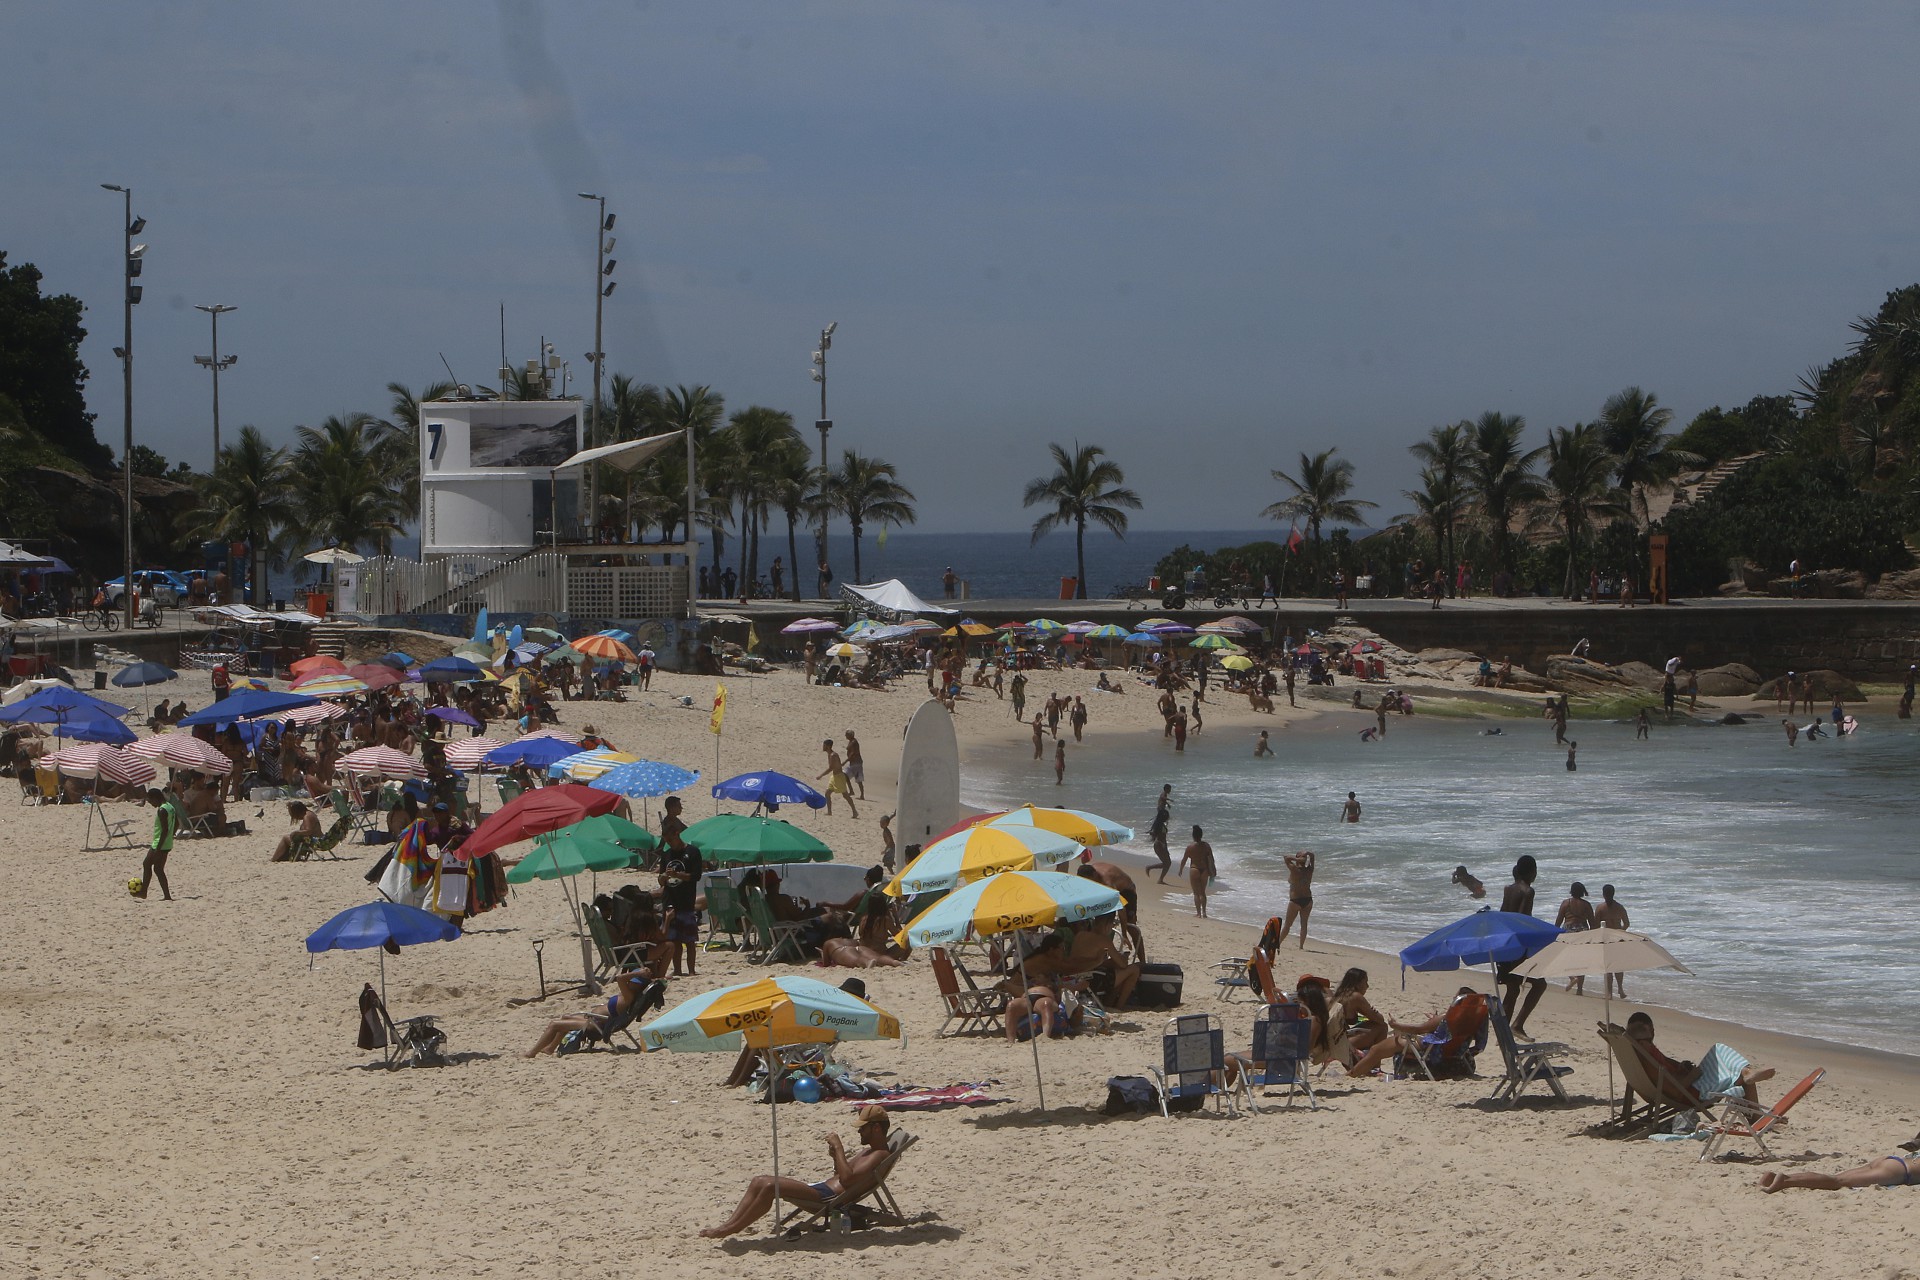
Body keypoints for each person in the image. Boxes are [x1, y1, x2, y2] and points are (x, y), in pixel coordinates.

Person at [701, 1104, 897, 1238]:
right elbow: (843, 1173)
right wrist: (835, 1156)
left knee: (770, 1186)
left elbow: (847, 1180)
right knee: (758, 1180)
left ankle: (731, 1229)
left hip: (827, 1198)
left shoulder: (879, 1155)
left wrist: (839, 1148)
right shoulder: (868, 1151)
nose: (859, 1132)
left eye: (863, 1128)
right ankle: (727, 1226)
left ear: (877, 1128)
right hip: (822, 1189)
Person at [1624, 1011, 1774, 1108]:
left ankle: (1747, 1073)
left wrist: (1680, 1066)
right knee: (1727, 1062)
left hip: (1689, 1085)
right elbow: (1676, 1092)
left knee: (1720, 1052)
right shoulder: (1649, 1058)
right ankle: (1747, 1074)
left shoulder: (1642, 1054)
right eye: (1646, 1033)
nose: (1648, 1039)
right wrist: (1693, 1075)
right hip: (1693, 1092)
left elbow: (1666, 1068)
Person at [523, 964, 665, 1057]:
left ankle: (531, 1053)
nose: (630, 981)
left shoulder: (629, 996)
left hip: (597, 1025)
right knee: (565, 1017)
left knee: (554, 1024)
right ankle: (549, 1048)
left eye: (633, 980)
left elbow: (619, 977)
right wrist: (642, 972)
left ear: (635, 983)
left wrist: (638, 973)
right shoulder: (631, 993)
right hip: (597, 1020)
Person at [1498, 855, 1547, 1036]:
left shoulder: (1507, 889)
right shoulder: (1528, 891)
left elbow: (1503, 914)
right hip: (1519, 945)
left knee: (1512, 988)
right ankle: (1517, 1025)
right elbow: (1523, 919)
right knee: (1540, 985)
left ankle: (1503, 1031)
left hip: (1505, 944)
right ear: (1531, 872)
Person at [657, 830, 704, 977]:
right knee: (674, 940)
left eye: (671, 839)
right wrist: (664, 877)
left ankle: (691, 970)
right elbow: (660, 880)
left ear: (677, 835)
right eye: (667, 840)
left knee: (689, 940)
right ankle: (677, 969)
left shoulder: (693, 852)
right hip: (670, 901)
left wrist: (678, 875)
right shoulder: (667, 855)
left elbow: (696, 876)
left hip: (686, 901)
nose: (669, 843)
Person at [1758, 1153, 1920, 1193]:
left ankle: (1777, 1177)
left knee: (1838, 1177)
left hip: (1890, 1160)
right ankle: (1785, 1181)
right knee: (1836, 1182)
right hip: (1897, 1172)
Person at [130, 787, 180, 900]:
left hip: (159, 843)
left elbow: (165, 830)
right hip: (167, 843)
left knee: (146, 864)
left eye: (151, 801)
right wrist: (171, 837)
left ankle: (143, 892)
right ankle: (166, 895)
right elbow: (176, 823)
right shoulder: (170, 807)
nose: (151, 804)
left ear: (156, 798)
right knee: (158, 869)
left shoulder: (162, 810)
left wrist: (158, 848)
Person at [1555, 882, 1596, 994]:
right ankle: (1579, 990)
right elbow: (1593, 923)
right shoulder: (1586, 905)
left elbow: (1558, 922)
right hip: (1583, 931)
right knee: (1581, 961)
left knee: (1563, 957)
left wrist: (1554, 935)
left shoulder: (1565, 903)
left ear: (1571, 891)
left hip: (1569, 932)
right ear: (1582, 891)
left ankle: (1572, 977)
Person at [1273, 850, 1315, 948]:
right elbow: (1313, 856)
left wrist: (1297, 859)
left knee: (1287, 925)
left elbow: (1286, 858)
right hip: (1308, 900)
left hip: (1295, 900)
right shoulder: (1309, 870)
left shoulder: (1294, 869)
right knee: (1304, 924)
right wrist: (1307, 853)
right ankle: (1301, 946)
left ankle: (1278, 943)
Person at [1595, 884, 1631, 997]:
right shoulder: (1619, 907)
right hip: (1616, 938)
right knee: (1616, 966)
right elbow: (1626, 924)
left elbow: (1596, 925)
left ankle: (1613, 992)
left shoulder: (1600, 908)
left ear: (1603, 894)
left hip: (1609, 939)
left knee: (1610, 966)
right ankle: (1618, 990)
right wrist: (1620, 931)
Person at [1177, 825, 1215, 918]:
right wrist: (1213, 870)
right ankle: (1204, 913)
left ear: (1193, 835)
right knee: (1203, 892)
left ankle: (1198, 913)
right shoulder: (1206, 846)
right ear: (1201, 835)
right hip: (1204, 870)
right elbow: (1212, 859)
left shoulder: (1190, 847)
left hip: (1194, 869)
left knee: (1196, 893)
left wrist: (1181, 869)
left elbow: (1184, 860)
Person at [816, 739, 858, 819]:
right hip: (834, 777)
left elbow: (830, 768)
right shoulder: (830, 754)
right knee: (827, 793)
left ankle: (854, 811)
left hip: (839, 777)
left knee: (845, 795)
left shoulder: (833, 755)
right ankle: (829, 812)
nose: (823, 746)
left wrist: (821, 775)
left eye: (824, 745)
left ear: (828, 746)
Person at [1149, 784, 1173, 883]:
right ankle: (1159, 878)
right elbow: (1162, 798)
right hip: (1160, 845)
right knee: (1167, 863)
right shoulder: (1164, 794)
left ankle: (1159, 878)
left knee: (1167, 863)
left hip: (1160, 844)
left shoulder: (1161, 826)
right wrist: (1169, 801)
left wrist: (1167, 804)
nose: (1170, 791)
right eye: (1169, 789)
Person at [842, 729, 866, 801]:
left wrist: (845, 761)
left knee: (859, 779)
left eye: (846, 734)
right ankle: (851, 791)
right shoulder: (851, 742)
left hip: (856, 763)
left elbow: (853, 753)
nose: (845, 736)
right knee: (845, 775)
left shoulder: (854, 742)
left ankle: (862, 795)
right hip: (853, 763)